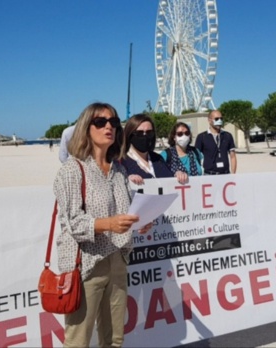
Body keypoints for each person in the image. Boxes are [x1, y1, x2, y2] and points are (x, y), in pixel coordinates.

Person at [53, 102, 152, 347]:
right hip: (86, 265)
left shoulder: (119, 170)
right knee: (78, 340)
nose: (108, 126)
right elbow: (72, 223)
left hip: (118, 259)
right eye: (100, 122)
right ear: (86, 128)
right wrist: (109, 223)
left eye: (114, 122)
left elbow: (124, 212)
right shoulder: (72, 170)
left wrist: (139, 222)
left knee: (114, 339)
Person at [120, 113, 188, 185]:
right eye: (139, 133)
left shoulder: (158, 159)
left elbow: (169, 181)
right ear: (129, 135)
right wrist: (126, 180)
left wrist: (177, 175)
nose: (145, 136)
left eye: (149, 133)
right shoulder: (121, 162)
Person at [195, 110, 237, 175]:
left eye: (221, 118)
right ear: (209, 120)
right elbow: (196, 158)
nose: (219, 121)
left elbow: (233, 156)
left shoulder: (228, 136)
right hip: (209, 175)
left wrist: (233, 174)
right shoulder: (202, 137)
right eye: (217, 119)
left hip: (225, 174)